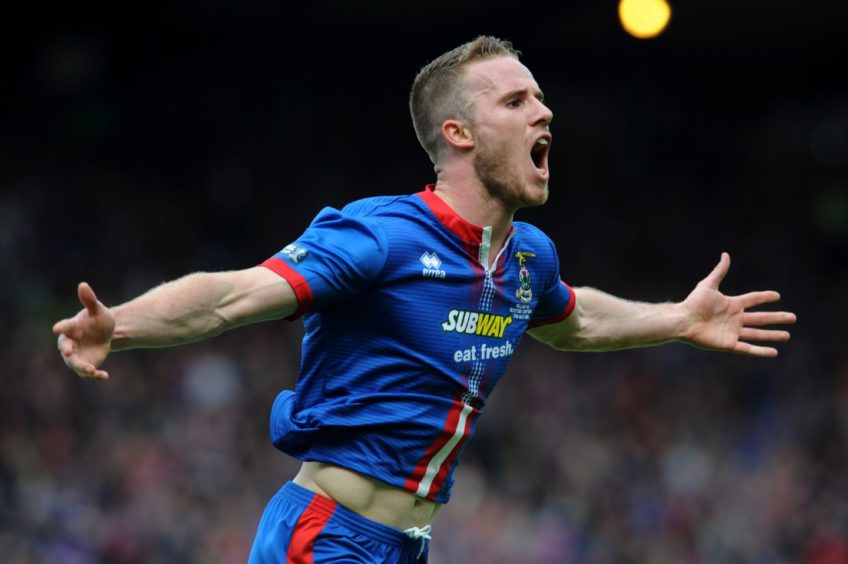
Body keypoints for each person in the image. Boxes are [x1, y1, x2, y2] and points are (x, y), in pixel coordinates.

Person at [53, 36, 796, 563]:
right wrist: (120, 328)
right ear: (459, 134)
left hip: (407, 547)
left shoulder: (528, 257)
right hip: (327, 535)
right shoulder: (381, 235)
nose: (545, 113)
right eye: (517, 100)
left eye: (541, 97)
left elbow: (574, 321)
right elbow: (230, 296)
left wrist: (679, 317)